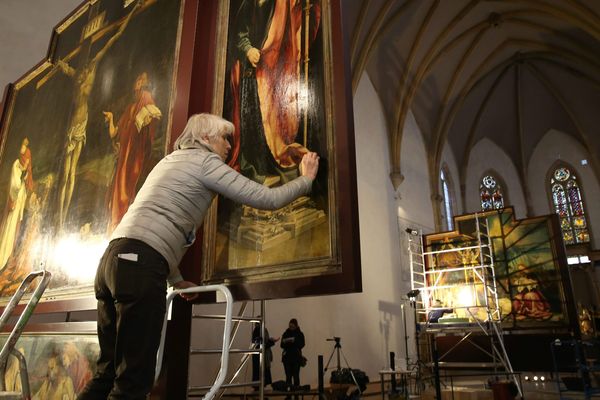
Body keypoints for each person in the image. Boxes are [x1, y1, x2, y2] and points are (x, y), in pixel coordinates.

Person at [78, 113, 319, 400]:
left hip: (111, 262)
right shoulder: (206, 162)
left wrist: (176, 280)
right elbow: (267, 199)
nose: (229, 146)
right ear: (205, 138)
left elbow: (153, 223)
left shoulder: (168, 161)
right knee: (133, 382)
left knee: (107, 374)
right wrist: (305, 180)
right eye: (223, 138)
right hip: (140, 265)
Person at [53, 1, 138, 229]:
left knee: (71, 175)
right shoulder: (76, 72)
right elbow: (63, 66)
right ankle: (60, 220)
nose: (82, 78)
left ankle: (62, 219)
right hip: (71, 127)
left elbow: (113, 38)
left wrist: (130, 14)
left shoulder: (91, 67)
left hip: (81, 124)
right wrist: (58, 62)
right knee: (65, 176)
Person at [228, 0, 322, 184]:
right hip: (251, 71)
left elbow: (300, 22)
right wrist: (247, 49)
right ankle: (255, 169)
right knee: (252, 122)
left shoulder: (282, 3)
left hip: (273, 73)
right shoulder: (249, 3)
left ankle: (270, 166)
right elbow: (238, 32)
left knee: (271, 123)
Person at [103, 72, 161, 232]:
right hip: (123, 157)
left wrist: (146, 121)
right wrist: (112, 118)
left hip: (134, 156)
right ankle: (116, 225)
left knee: (127, 189)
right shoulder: (129, 109)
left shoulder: (146, 99)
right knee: (118, 190)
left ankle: (125, 225)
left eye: (141, 80)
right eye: (137, 79)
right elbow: (114, 133)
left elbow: (153, 113)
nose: (138, 82)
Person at [0, 137, 33, 270]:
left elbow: (24, 187)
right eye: (23, 146)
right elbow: (15, 186)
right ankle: (4, 256)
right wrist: (23, 173)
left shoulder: (23, 168)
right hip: (13, 210)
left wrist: (25, 174)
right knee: (9, 229)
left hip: (18, 207)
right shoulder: (15, 165)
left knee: (16, 230)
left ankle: (11, 256)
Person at [252, 320, 279, 389]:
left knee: (262, 377)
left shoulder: (262, 330)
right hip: (260, 357)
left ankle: (260, 393)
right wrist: (271, 342)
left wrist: (270, 341)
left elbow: (263, 342)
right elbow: (261, 345)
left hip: (262, 356)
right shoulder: (258, 331)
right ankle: (259, 394)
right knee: (260, 376)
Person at [281, 318, 305, 390]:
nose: (290, 328)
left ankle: (296, 395)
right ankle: (289, 395)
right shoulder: (286, 333)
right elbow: (281, 345)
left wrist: (294, 341)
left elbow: (302, 344)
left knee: (296, 376)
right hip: (287, 358)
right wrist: (286, 341)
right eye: (290, 326)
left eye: (292, 326)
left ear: (296, 326)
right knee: (288, 377)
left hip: (296, 358)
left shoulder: (300, 334)